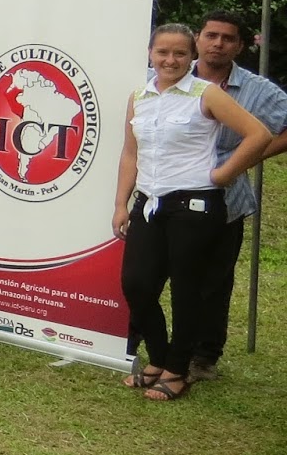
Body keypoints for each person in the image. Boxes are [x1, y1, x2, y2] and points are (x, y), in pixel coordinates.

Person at [113, 25, 270, 402]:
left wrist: (221, 174)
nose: (170, 60)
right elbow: (131, 153)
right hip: (149, 203)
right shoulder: (140, 96)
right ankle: (159, 358)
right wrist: (121, 203)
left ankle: (177, 370)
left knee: (187, 290)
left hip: (195, 206)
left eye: (180, 54)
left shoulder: (207, 94)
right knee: (137, 284)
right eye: (162, 52)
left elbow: (258, 134)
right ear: (150, 53)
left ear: (191, 56)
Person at [187, 11, 287, 380]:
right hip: (164, 196)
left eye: (228, 38)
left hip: (225, 200)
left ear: (240, 46)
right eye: (211, 35)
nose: (218, 43)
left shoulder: (258, 91)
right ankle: (139, 341)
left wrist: (247, 157)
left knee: (213, 283)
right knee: (152, 274)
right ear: (197, 38)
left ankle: (203, 358)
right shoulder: (169, 76)